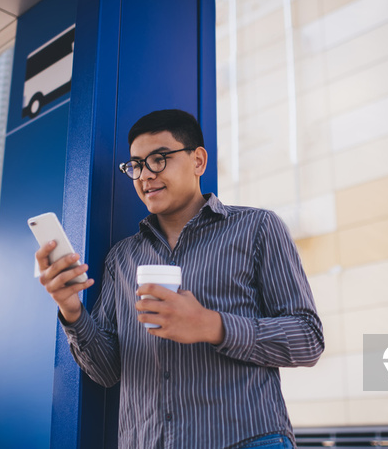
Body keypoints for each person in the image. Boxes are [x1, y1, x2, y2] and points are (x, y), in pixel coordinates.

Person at [36, 109, 324, 448]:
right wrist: (71, 309)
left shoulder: (257, 228)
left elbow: (308, 339)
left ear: (198, 161)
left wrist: (212, 325)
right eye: (136, 165)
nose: (145, 175)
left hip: (246, 440)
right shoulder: (121, 258)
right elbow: (107, 371)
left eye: (159, 159)